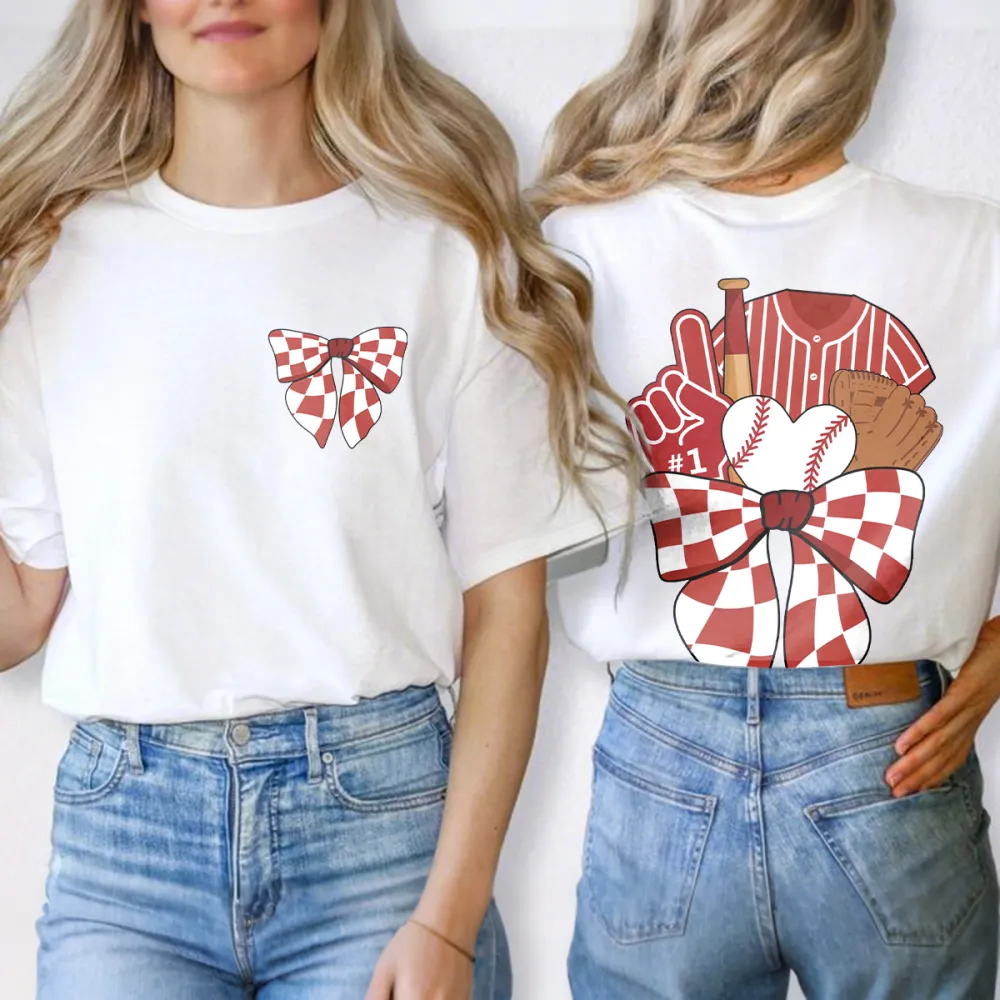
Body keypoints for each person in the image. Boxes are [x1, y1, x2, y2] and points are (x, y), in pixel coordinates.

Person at [0, 2, 632, 998]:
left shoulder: (444, 252)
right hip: (124, 855)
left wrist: (448, 917)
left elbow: (506, 612)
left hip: (383, 839)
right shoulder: (51, 262)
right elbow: (23, 609)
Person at [534, 1, 1000, 997]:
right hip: (885, 744)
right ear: (860, 39)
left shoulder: (575, 242)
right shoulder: (982, 248)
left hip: (664, 742)